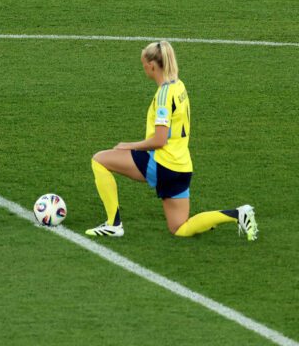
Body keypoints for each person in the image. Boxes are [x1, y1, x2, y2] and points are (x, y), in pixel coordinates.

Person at [86, 41, 258, 240]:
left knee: (99, 160)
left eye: (143, 64)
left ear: (152, 65)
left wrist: (129, 145)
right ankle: (238, 214)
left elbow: (159, 140)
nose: (143, 68)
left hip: (162, 164)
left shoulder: (163, 96)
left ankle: (113, 224)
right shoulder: (179, 86)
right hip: (182, 167)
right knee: (179, 228)